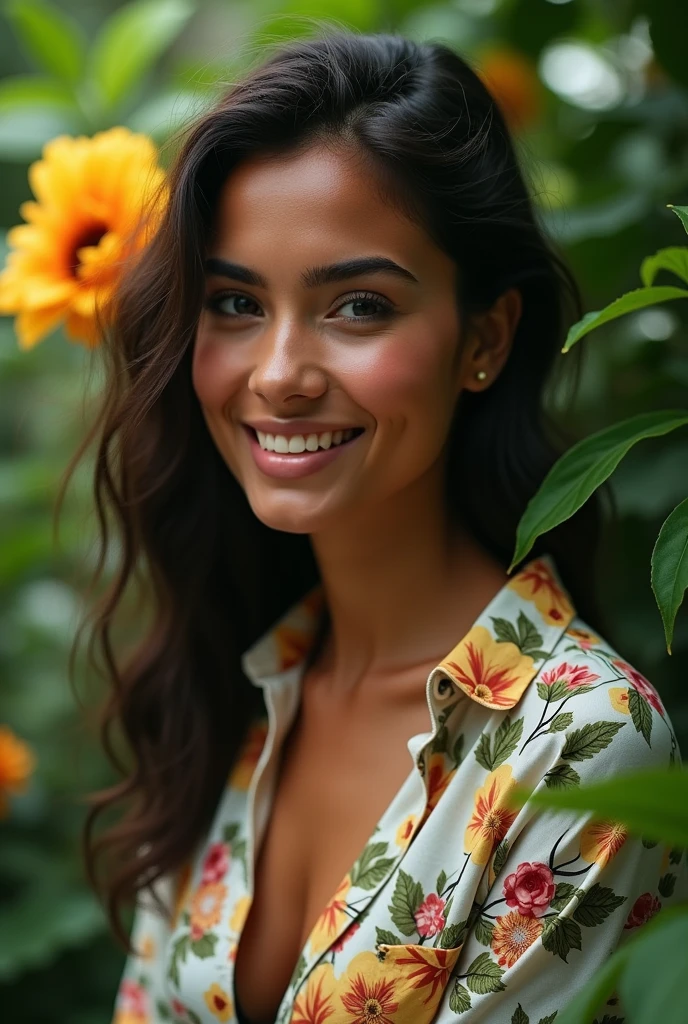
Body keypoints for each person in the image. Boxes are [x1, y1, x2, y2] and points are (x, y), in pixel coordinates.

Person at [81, 29, 682, 1024]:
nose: (276, 373)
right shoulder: (238, 682)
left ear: (483, 339)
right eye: (234, 301)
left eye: (356, 306)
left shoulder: (577, 741)